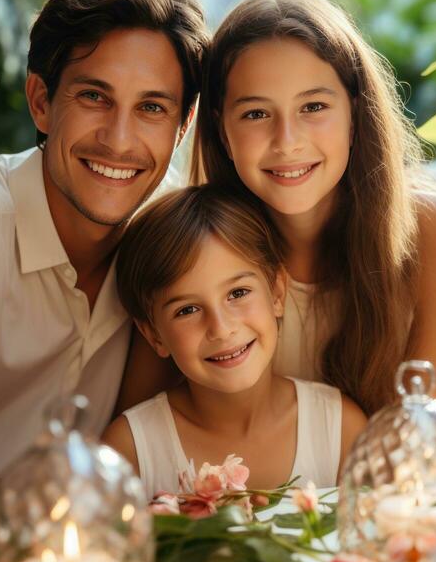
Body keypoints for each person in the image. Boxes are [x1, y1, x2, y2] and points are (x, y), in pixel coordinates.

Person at [0, 0, 209, 499]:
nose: (119, 141)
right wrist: (57, 532)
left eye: (150, 108)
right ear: (42, 102)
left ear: (183, 125)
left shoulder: (175, 244)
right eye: (95, 97)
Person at [193, 0, 436, 417]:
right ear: (222, 132)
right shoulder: (191, 246)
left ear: (354, 114)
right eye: (256, 113)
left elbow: (432, 449)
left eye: (313, 106)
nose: (287, 142)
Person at [103, 185, 366, 495]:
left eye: (238, 293)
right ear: (154, 335)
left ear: (277, 293)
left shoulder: (339, 428)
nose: (221, 328)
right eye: (187, 310)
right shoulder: (128, 451)